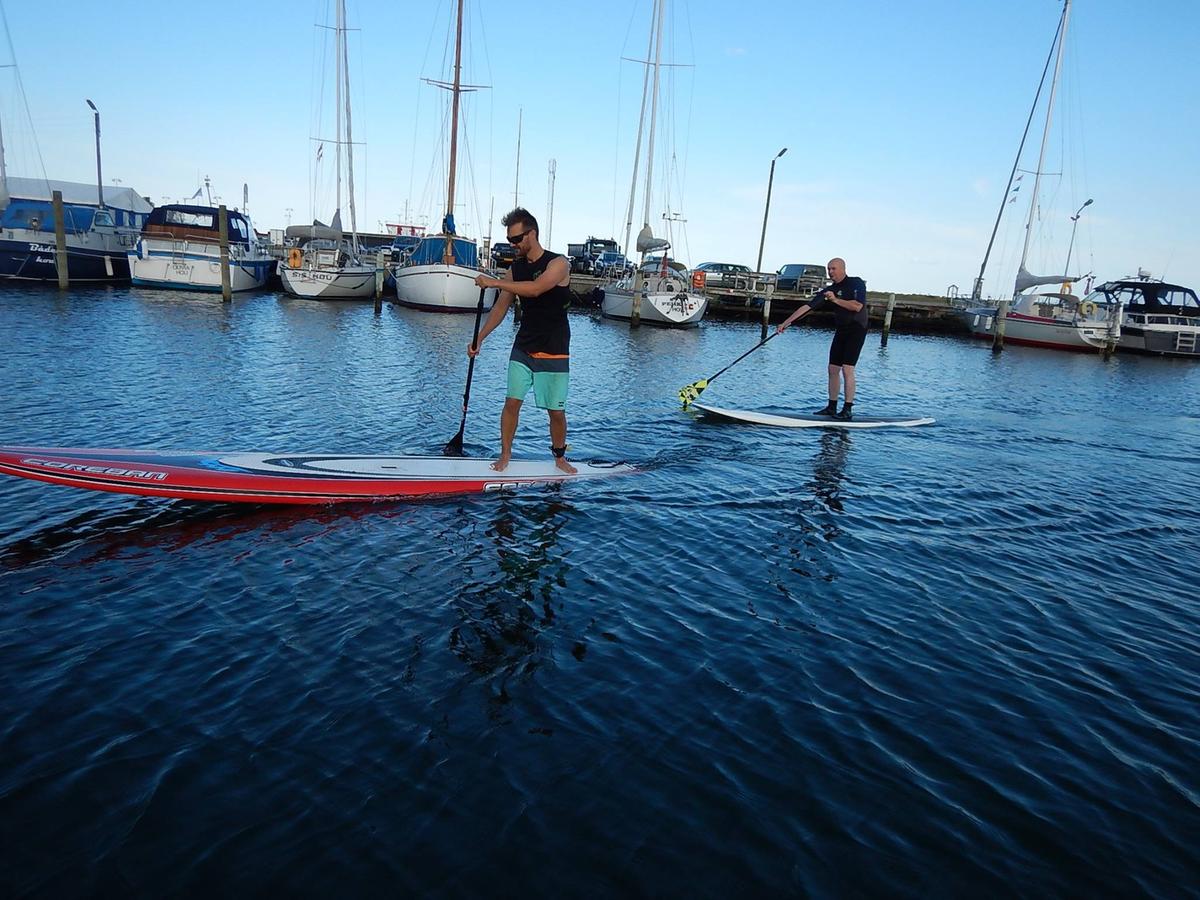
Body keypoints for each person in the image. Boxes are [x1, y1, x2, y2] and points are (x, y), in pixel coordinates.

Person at [470, 208, 576, 474]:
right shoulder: (514, 270)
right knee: (511, 403)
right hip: (523, 346)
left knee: (555, 412)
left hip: (554, 349)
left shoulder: (558, 264)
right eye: (510, 241)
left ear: (532, 234)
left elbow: (537, 289)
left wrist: (494, 283)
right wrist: (479, 339)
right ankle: (505, 455)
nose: (513, 245)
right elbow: (500, 309)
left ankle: (560, 457)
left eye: (517, 240)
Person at [776, 257, 868, 420]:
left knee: (847, 369)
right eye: (828, 269)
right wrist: (785, 322)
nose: (830, 272)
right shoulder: (829, 290)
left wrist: (835, 300)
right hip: (841, 330)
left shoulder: (856, 283)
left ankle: (847, 409)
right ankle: (832, 407)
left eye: (833, 269)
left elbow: (857, 306)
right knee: (833, 369)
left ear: (842, 269)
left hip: (857, 329)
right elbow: (808, 306)